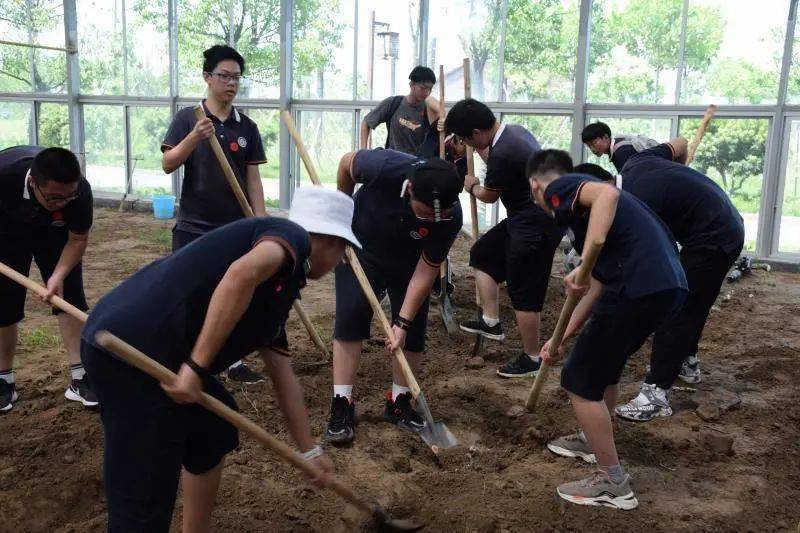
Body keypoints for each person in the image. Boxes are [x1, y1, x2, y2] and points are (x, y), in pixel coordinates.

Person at [80, 186, 358, 532]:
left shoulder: (281, 290)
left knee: (214, 431)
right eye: (342, 250)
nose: (339, 262)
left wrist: (309, 451)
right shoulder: (290, 237)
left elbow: (282, 374)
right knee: (144, 492)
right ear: (329, 241)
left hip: (165, 353)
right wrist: (197, 367)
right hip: (131, 351)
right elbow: (241, 275)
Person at [528, 149, 687, 510]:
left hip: (638, 288)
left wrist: (582, 262)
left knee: (579, 378)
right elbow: (594, 289)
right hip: (664, 290)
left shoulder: (561, 188)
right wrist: (559, 339)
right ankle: (591, 439)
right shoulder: (606, 227)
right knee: (605, 367)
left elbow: (607, 193)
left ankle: (612, 483)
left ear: (536, 185)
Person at [324, 150, 463, 444]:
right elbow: (345, 163)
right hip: (363, 246)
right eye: (424, 212)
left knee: (412, 330)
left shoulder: (449, 216)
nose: (430, 219)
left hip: (411, 263)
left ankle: (399, 402)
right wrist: (340, 214)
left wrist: (402, 322)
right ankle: (342, 402)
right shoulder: (384, 166)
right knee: (351, 314)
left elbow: (427, 271)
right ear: (410, 189)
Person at [606, 139, 744, 420]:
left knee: (677, 309)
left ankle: (655, 394)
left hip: (712, 238)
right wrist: (676, 175)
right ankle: (687, 363)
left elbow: (647, 254)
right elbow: (681, 143)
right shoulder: (639, 161)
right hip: (728, 224)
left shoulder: (635, 202)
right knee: (695, 303)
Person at [161, 44, 268, 384]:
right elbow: (168, 164)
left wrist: (261, 224)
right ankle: (190, 361)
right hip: (193, 226)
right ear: (207, 77)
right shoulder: (188, 119)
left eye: (237, 77)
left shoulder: (246, 127)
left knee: (236, 295)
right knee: (191, 296)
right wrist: (194, 137)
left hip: (235, 228)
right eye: (224, 76)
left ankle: (233, 361)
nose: (231, 83)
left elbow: (253, 179)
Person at [444, 98, 564, 379]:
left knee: (524, 291)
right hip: (524, 218)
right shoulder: (514, 133)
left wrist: (472, 186)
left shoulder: (505, 152)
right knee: (483, 254)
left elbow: (489, 195)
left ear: (476, 133)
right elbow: (498, 163)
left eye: (467, 140)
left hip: (536, 224)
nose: (469, 146)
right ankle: (491, 320)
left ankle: (532, 358)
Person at [0, 146, 96, 412]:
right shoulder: (4, 176)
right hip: (5, 230)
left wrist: (57, 276)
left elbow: (77, 239)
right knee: (4, 301)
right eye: (55, 198)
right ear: (33, 183)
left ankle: (80, 376)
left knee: (70, 294)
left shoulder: (78, 193)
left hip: (55, 232)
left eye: (69, 196)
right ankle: (3, 379)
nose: (63, 202)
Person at [360, 66, 443, 157]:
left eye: (430, 89)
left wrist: (443, 120)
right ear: (411, 85)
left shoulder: (428, 108)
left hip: (415, 165)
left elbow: (441, 111)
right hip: (393, 163)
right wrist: (363, 151)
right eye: (423, 88)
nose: (427, 92)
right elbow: (366, 122)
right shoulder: (393, 103)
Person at [581, 121, 659, 173]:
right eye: (589, 146)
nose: (592, 149)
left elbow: (632, 178)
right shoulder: (618, 144)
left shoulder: (621, 151)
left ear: (605, 137)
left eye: (594, 143)